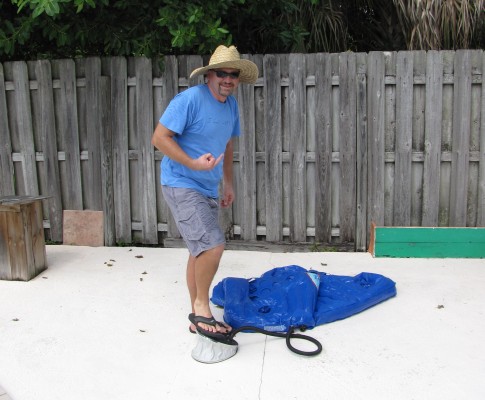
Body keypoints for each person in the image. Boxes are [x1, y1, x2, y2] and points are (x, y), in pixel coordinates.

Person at [151, 45, 258, 339]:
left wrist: (228, 183)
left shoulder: (231, 106)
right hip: (181, 182)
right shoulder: (189, 100)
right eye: (222, 73)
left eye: (233, 75)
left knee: (199, 250)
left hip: (208, 187)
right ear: (209, 75)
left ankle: (196, 315)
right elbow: (159, 138)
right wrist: (192, 164)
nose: (228, 79)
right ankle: (202, 310)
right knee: (212, 246)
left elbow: (227, 144)